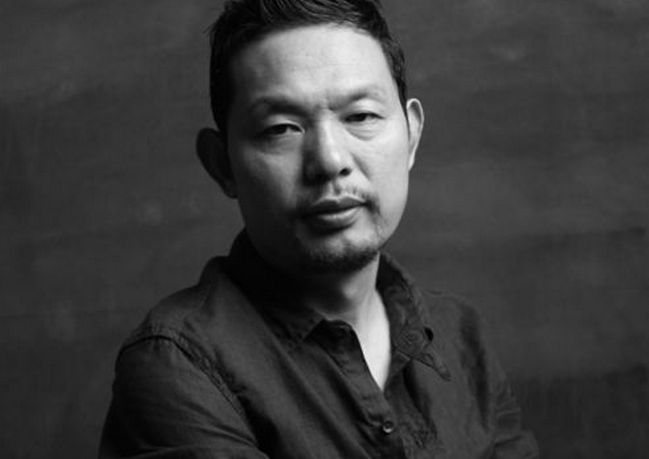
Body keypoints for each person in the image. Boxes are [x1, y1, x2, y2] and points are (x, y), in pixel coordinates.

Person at [100, 0, 539, 457]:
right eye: (281, 129)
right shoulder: (177, 365)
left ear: (411, 135)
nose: (330, 160)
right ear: (222, 165)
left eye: (361, 116)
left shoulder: (459, 335)